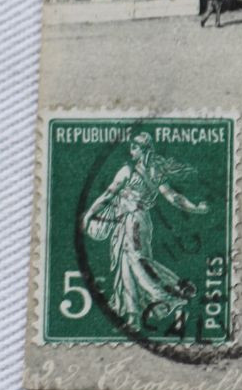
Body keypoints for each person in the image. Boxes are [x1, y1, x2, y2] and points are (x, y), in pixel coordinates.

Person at [80, 131, 208, 326]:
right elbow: (174, 197)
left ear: (143, 150)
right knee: (128, 263)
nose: (131, 151)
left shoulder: (127, 171)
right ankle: (132, 314)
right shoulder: (156, 172)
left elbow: (107, 195)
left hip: (132, 222)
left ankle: (170, 293)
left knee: (137, 263)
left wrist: (90, 214)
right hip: (139, 222)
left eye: (134, 147)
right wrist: (195, 208)